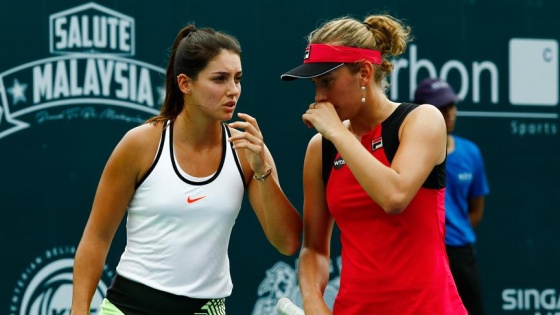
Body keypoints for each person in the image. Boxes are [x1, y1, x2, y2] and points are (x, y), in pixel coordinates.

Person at [71, 24, 302, 315]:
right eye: (220, 79)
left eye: (238, 79)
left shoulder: (248, 152)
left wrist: (262, 170)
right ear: (185, 83)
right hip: (128, 307)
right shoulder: (141, 144)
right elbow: (97, 237)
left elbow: (287, 242)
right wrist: (78, 311)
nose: (233, 90)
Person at [280, 15, 467, 315]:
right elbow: (313, 248)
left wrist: (339, 133)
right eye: (315, 84)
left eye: (327, 82)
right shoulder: (321, 148)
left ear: (364, 73)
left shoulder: (422, 120)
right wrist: (314, 303)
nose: (319, 97)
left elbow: (394, 197)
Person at [414, 78, 490, 315]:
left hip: (460, 252)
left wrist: (455, 234)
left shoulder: (471, 152)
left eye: (451, 106)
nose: (449, 113)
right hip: (423, 253)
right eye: (440, 108)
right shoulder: (410, 153)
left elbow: (476, 209)